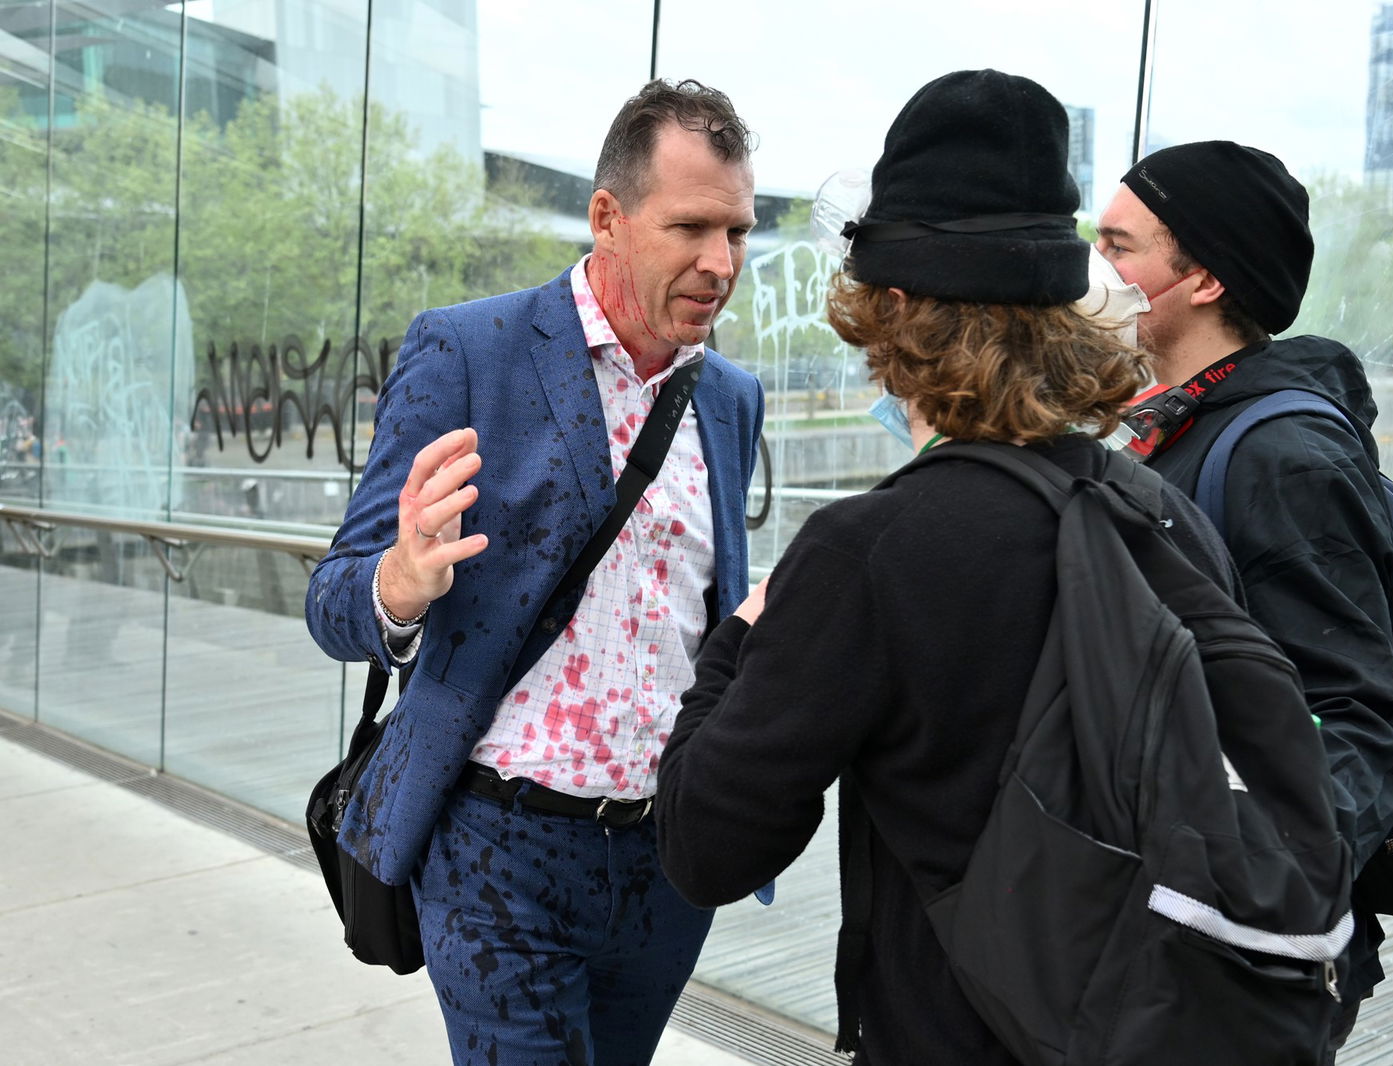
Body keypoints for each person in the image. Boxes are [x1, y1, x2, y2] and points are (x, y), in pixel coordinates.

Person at [653, 70, 1245, 1064]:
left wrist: (738, 644)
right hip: (1145, 1024)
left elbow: (707, 844)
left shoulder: (868, 551)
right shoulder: (1157, 512)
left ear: (891, 306)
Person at [304, 78, 764, 1066]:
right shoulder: (468, 350)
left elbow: (706, 611)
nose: (719, 262)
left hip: (664, 864)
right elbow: (333, 598)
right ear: (608, 216)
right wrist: (399, 581)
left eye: (737, 232)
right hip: (494, 851)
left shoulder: (729, 396)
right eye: (690, 227)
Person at [1094, 141, 1393, 1060]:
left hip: (1228, 967)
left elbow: (1361, 722)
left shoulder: (1281, 457)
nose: (1094, 272)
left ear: (1200, 278)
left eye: (1119, 247)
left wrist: (1235, 904)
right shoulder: (1176, 426)